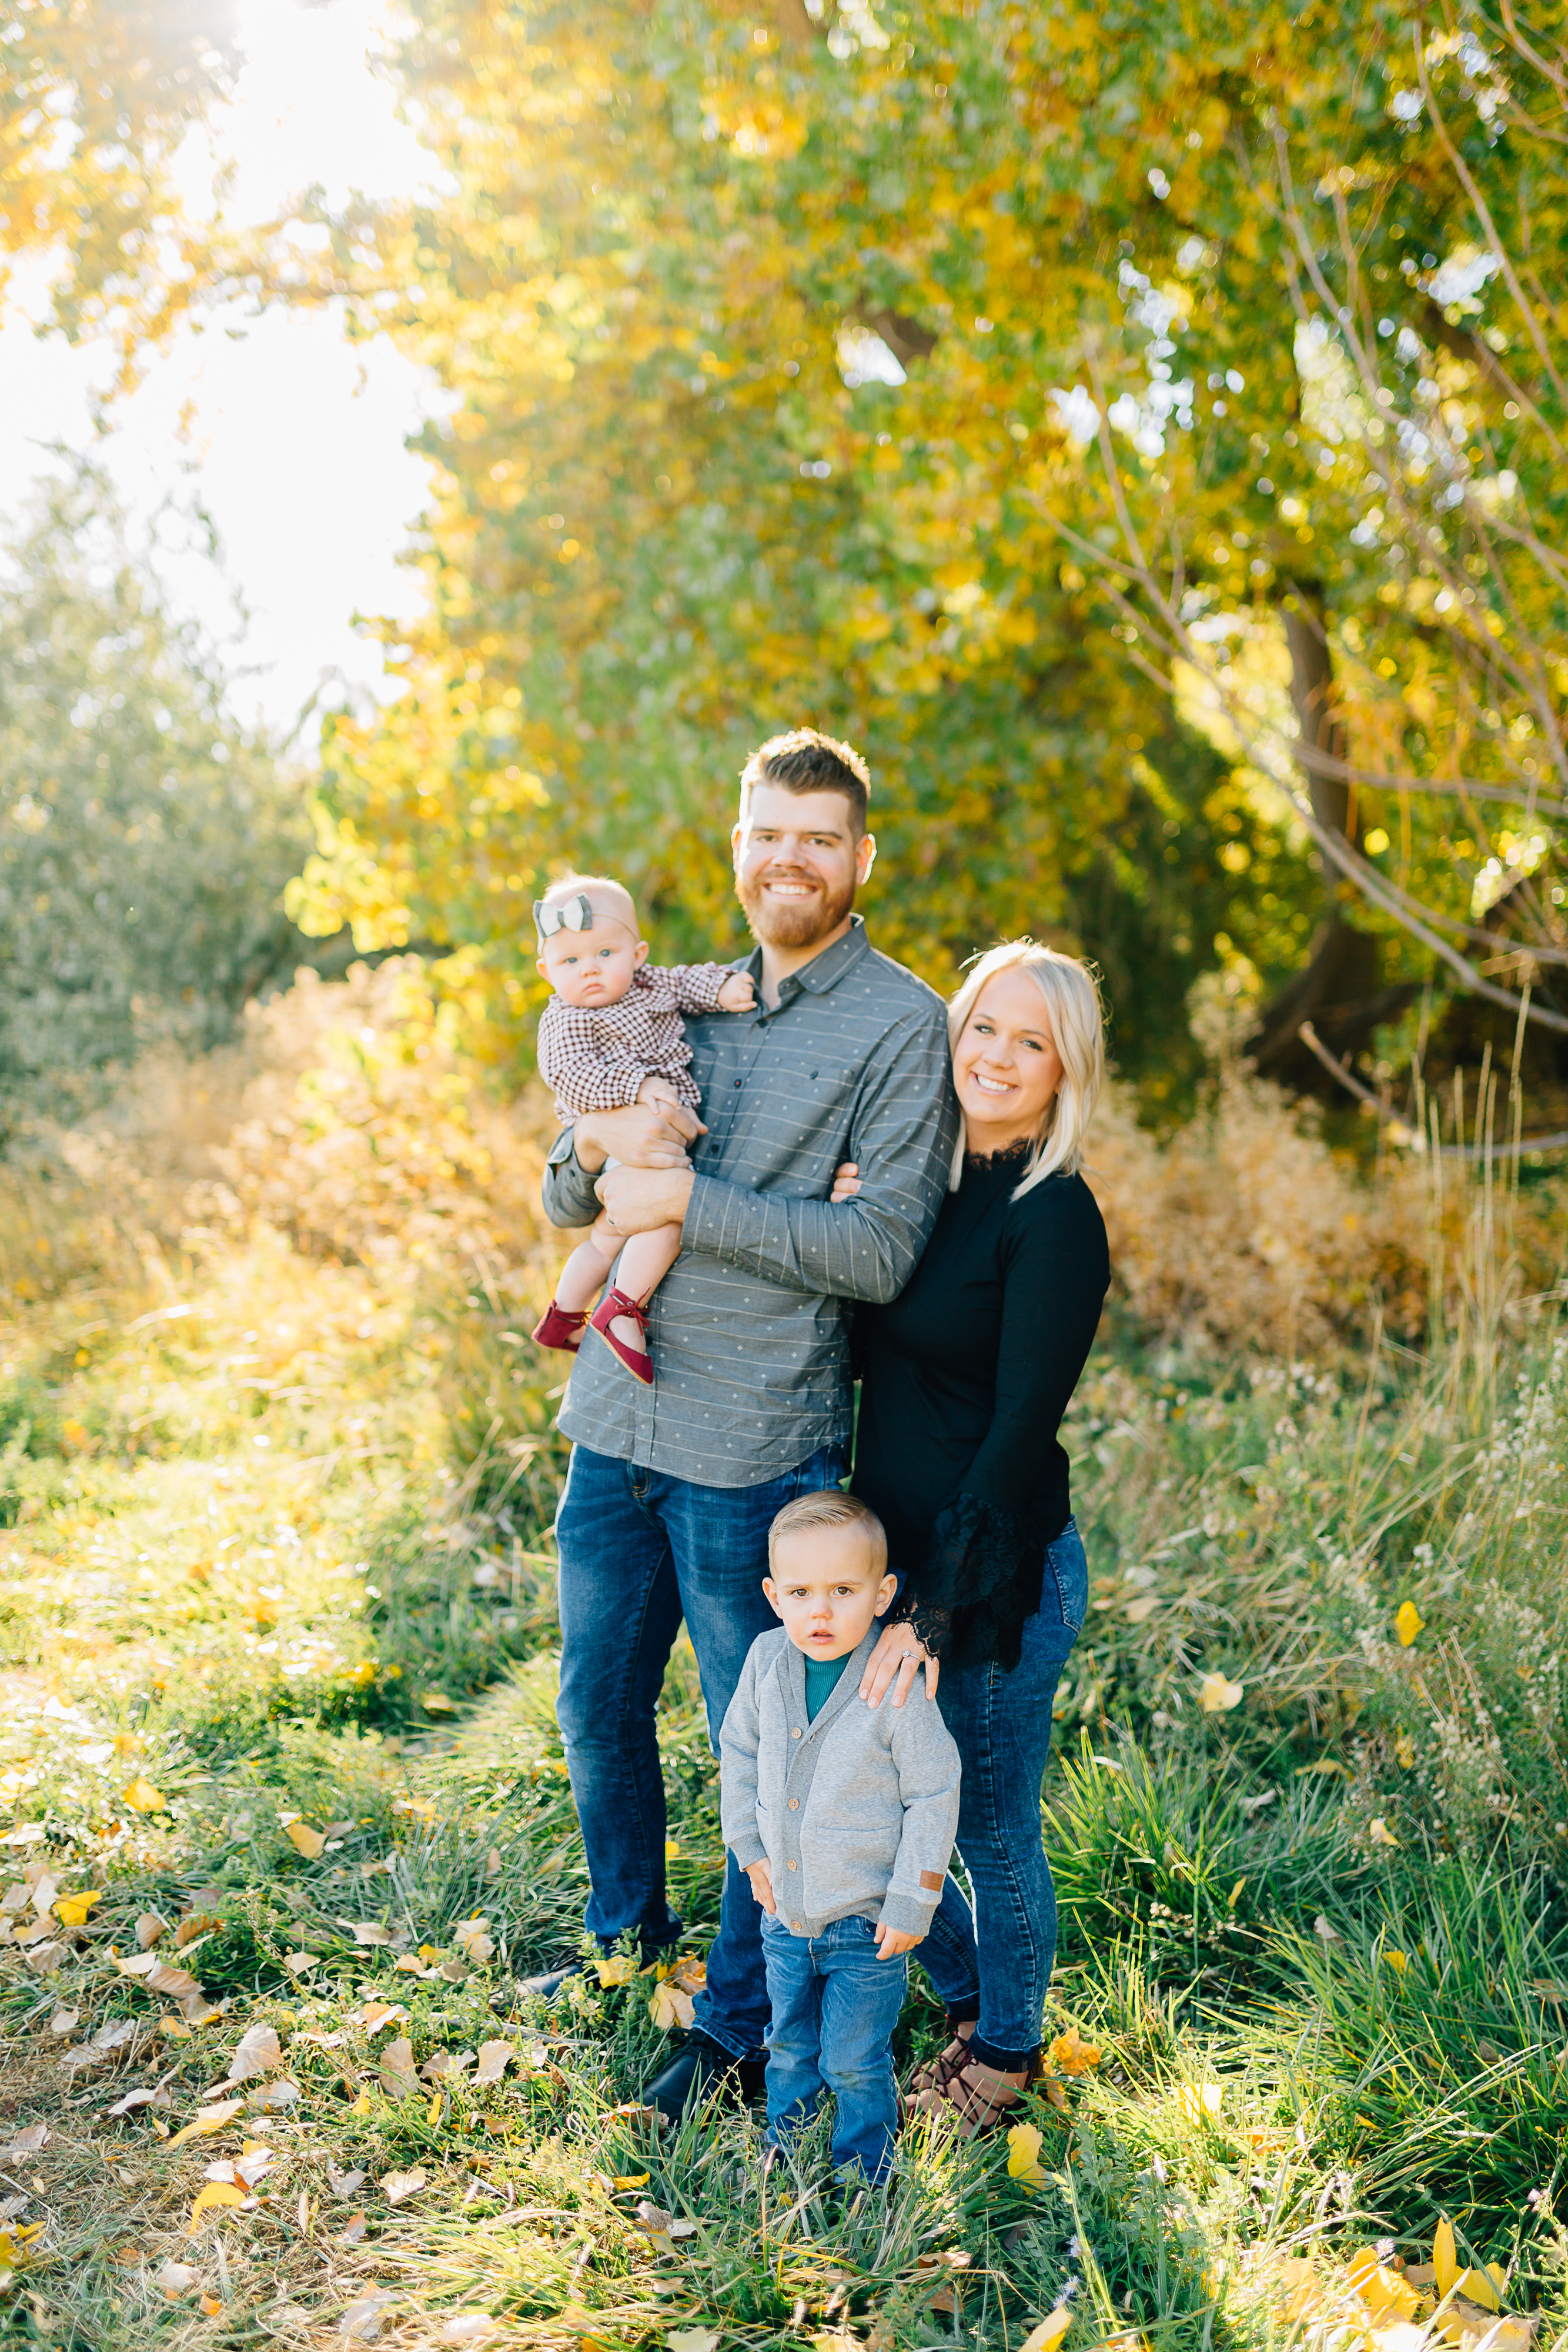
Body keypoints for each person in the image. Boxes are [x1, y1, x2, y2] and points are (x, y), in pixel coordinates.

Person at [531, 728, 959, 2120]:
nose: (792, 858)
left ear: (860, 859)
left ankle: (733, 2024)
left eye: (820, 838)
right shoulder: (668, 995)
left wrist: (683, 1206)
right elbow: (564, 1190)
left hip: (754, 1452)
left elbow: (883, 1249)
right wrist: (595, 1158)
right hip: (615, 1418)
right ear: (737, 845)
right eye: (769, 832)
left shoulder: (900, 1023)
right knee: (597, 1712)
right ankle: (619, 1943)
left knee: (761, 1750)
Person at [840, 938, 1111, 2136]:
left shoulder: (1054, 1214)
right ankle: (967, 1997)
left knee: (987, 1824)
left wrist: (933, 1612)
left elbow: (1014, 1434)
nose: (997, 1056)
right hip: (886, 1564)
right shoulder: (927, 1184)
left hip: (992, 1576)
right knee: (882, 1809)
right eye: (983, 1027)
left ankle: (1004, 2053)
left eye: (1030, 1040)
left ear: (1065, 1069)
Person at [720, 1491, 960, 2186]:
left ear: (884, 1594)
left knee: (855, 2055)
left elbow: (934, 1792)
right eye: (801, 1591)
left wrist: (913, 1903)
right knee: (789, 2042)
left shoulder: (895, 1687)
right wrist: (749, 1845)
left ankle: (865, 2166)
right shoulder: (768, 1661)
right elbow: (739, 1751)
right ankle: (786, 2146)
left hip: (865, 1921)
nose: (820, 1610)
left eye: (843, 1590)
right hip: (785, 1912)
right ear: (774, 1595)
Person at [529, 873, 757, 1382]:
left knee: (606, 1242)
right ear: (547, 971)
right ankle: (622, 1309)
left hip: (656, 1133)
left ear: (638, 954)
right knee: (672, 1218)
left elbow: (685, 982)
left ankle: (563, 1314)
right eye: (570, 961)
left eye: (604, 954)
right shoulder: (565, 1018)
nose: (588, 970)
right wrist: (638, 1085)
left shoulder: (653, 984)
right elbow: (570, 1077)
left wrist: (720, 986)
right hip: (625, 1138)